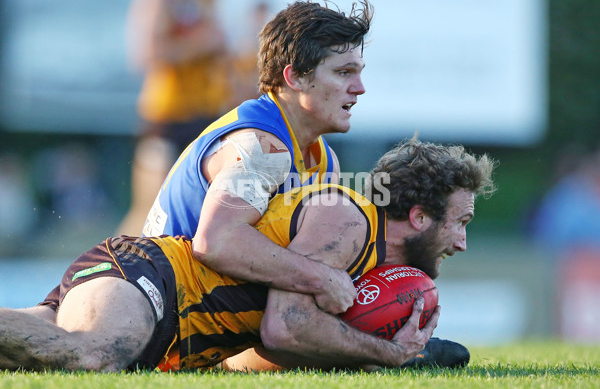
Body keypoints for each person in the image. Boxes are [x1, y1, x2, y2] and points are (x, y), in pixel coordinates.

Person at [0, 139, 495, 372]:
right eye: (461, 222)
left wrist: (368, 356)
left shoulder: (365, 261)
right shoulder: (350, 215)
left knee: (29, 354)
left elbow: (265, 351)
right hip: (153, 278)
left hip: (166, 325)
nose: (463, 242)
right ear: (418, 216)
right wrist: (388, 353)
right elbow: (285, 326)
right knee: (93, 355)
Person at [141, 0, 374, 315]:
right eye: (344, 72)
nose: (359, 88)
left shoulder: (323, 158)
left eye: (358, 73)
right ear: (295, 78)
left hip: (196, 311)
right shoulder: (262, 149)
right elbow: (216, 243)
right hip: (156, 307)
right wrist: (322, 279)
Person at [116, 0, 231, 236]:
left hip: (205, 116)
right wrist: (200, 45)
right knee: (149, 207)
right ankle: (110, 267)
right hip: (166, 117)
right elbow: (145, 54)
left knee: (205, 208)